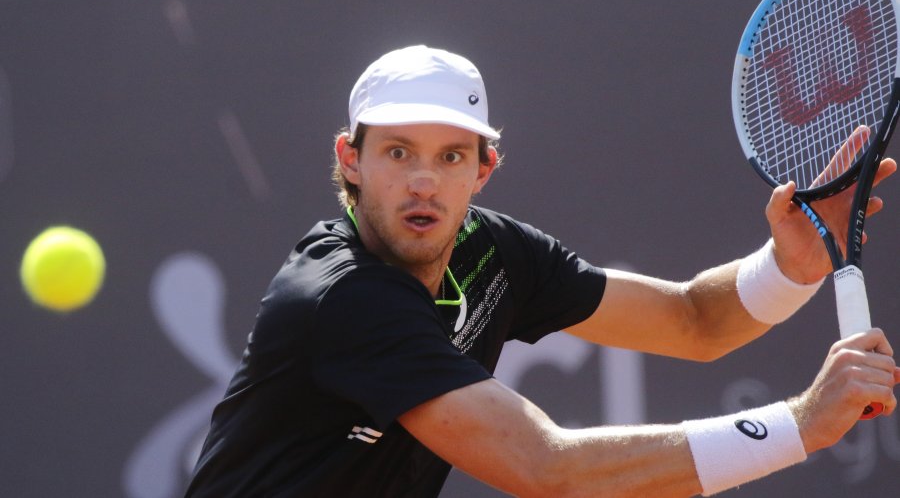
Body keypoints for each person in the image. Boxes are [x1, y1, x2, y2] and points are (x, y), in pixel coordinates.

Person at [184, 45, 900, 497]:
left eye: (450, 156)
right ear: (350, 159)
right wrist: (802, 425)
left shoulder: (490, 251)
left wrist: (792, 264)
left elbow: (693, 321)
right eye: (398, 152)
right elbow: (546, 468)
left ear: (484, 169)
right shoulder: (345, 300)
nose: (424, 183)